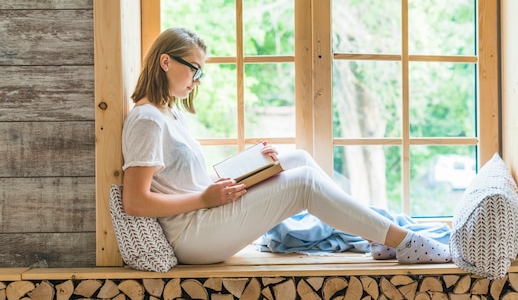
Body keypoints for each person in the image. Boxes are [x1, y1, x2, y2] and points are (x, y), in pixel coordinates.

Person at [121, 27, 451, 265]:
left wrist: (252, 167)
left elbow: (185, 179)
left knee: (297, 159)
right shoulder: (147, 119)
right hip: (192, 237)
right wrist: (206, 198)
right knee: (303, 183)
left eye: (201, 73)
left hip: (205, 215)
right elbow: (135, 201)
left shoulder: (169, 114)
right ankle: (402, 241)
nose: (197, 80)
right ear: (166, 62)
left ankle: (375, 236)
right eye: (194, 69)